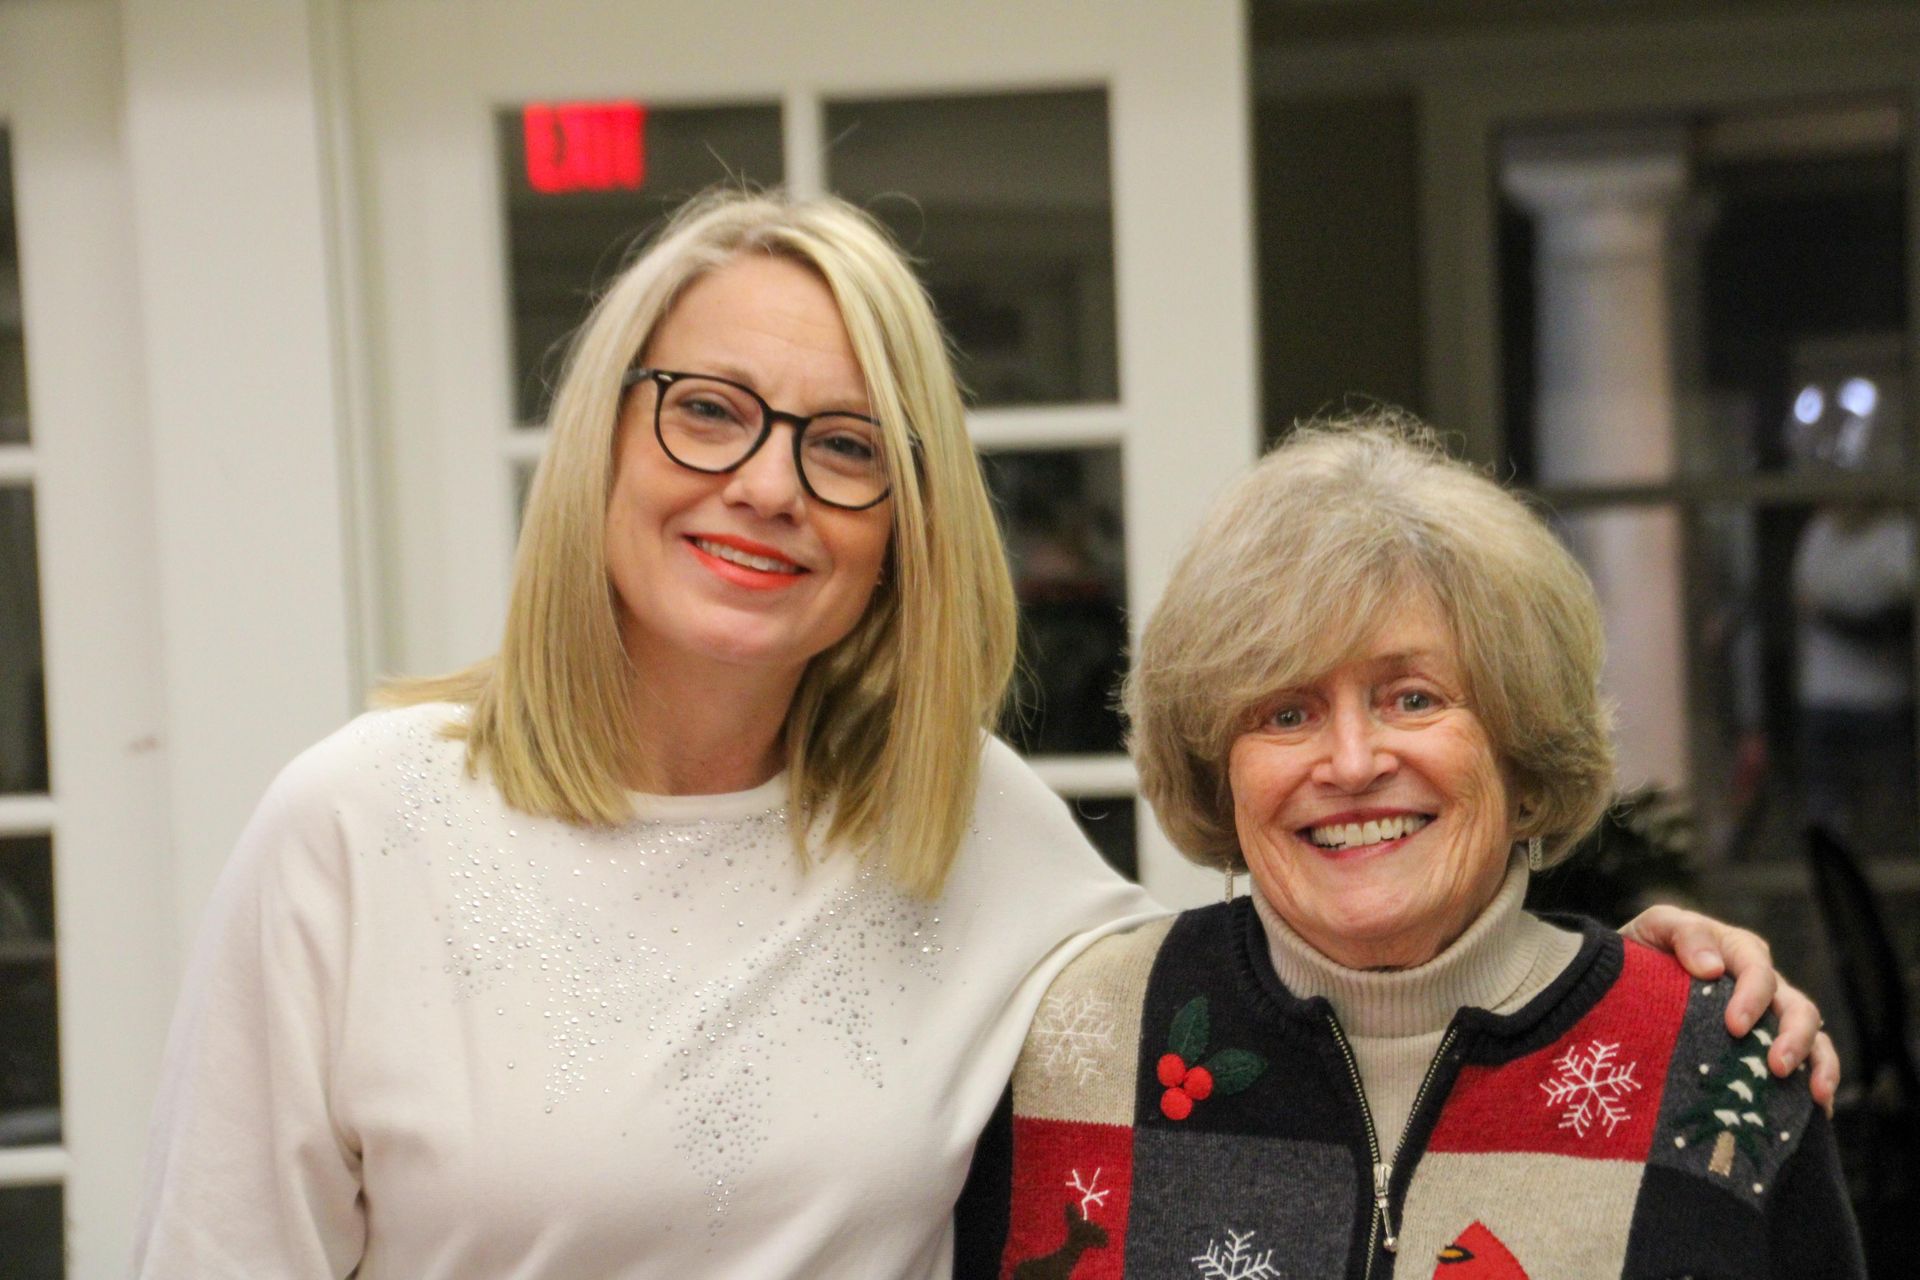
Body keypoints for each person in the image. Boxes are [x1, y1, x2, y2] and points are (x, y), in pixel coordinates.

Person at [132, 194, 1829, 1279]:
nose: (768, 484)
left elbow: (1314, 955)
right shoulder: (356, 830)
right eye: (711, 408)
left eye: (845, 445)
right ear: (604, 442)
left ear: (900, 528)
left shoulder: (971, 832)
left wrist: (1639, 973)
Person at [959, 416, 1862, 1279]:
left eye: (1414, 699)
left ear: (1519, 743)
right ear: (1218, 769)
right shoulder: (1064, 1048)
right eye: (1287, 713)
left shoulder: (1716, 1060)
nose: (1351, 763)